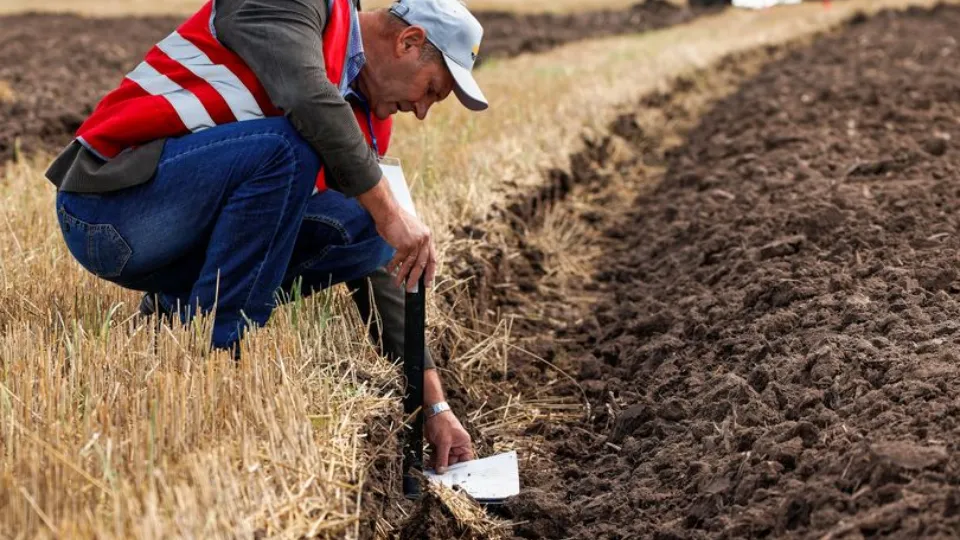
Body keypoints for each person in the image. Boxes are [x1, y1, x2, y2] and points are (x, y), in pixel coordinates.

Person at [44, 0, 486, 474]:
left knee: (367, 235)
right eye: (431, 91)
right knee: (288, 147)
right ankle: (217, 356)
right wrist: (387, 209)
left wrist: (433, 406)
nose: (420, 111)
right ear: (409, 41)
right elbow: (308, 98)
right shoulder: (295, 6)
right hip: (109, 212)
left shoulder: (366, 121)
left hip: (173, 241)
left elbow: (384, 264)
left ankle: (175, 309)